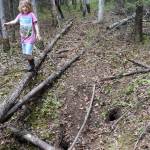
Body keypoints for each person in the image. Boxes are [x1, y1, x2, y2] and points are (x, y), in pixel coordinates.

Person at [4, 0, 41, 71]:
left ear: (29, 7)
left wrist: (38, 34)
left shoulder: (31, 15)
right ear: (21, 8)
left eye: (26, 7)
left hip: (30, 37)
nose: (25, 8)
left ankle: (32, 66)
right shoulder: (20, 15)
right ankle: (32, 64)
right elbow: (14, 21)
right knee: (25, 54)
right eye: (23, 7)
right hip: (23, 38)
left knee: (27, 53)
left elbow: (36, 24)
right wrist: (8, 23)